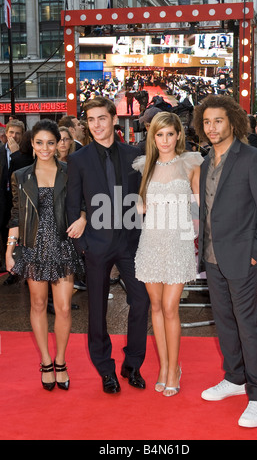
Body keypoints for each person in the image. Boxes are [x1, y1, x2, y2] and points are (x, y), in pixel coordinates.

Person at [194, 95, 257, 428]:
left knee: (248, 325)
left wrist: (256, 253)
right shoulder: (205, 163)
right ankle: (235, 378)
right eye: (206, 121)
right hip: (213, 258)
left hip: (243, 257)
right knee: (224, 321)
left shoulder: (252, 159)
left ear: (232, 121)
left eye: (218, 120)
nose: (211, 127)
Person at [66, 96, 150, 394]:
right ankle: (106, 370)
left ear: (114, 119)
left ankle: (133, 364)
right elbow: (72, 203)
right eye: (90, 120)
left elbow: (142, 195)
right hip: (96, 245)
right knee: (97, 311)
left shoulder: (134, 154)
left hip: (130, 242)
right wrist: (83, 245)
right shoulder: (78, 159)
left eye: (102, 118)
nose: (96, 125)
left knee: (141, 301)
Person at [5, 119, 86, 391]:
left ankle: (61, 361)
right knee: (38, 305)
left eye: (51, 142)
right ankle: (45, 361)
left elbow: (82, 203)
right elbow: (15, 214)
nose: (45, 148)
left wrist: (84, 218)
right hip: (32, 247)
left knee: (63, 308)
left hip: (62, 246)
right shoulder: (21, 175)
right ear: (32, 144)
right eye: (39, 143)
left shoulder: (69, 172)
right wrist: (9, 249)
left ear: (59, 143)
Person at [133, 112, 203, 397]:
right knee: (156, 307)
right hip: (151, 241)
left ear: (178, 135)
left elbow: (200, 208)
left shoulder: (191, 163)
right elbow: (140, 206)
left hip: (178, 242)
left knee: (171, 307)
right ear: (153, 137)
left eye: (169, 134)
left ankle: (174, 368)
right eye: (159, 134)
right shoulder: (144, 165)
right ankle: (164, 367)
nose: (164, 140)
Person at [0, 120, 25, 283]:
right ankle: (7, 265)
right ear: (6, 134)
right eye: (11, 132)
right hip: (3, 198)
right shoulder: (0, 151)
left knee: (20, 233)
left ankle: (18, 269)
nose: (14, 136)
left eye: (17, 133)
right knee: (3, 230)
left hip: (19, 199)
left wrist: (17, 154)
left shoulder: (25, 153)